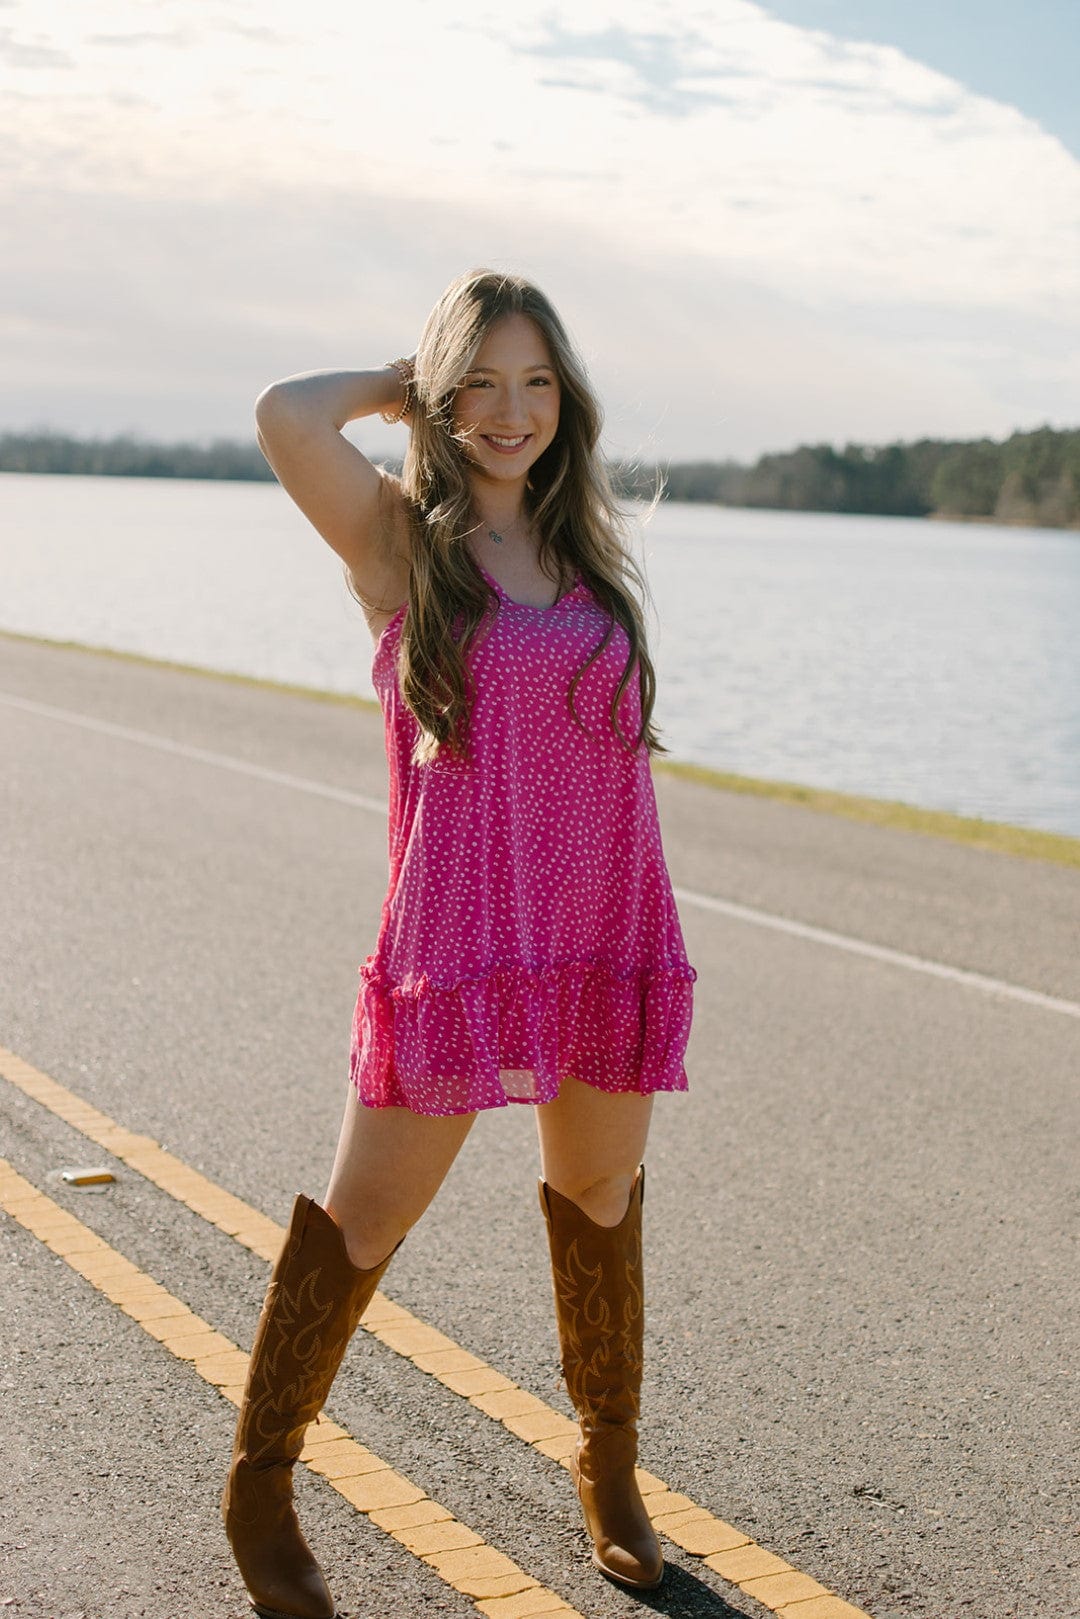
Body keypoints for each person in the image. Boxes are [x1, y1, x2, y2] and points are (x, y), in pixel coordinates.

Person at [222, 268, 697, 1618]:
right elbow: (281, 413)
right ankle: (262, 1482)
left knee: (600, 1201)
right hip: (462, 933)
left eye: (536, 380)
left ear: (568, 399)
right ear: (444, 395)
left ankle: (608, 1466)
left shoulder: (589, 554)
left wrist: (455, 387)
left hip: (602, 924)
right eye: (481, 380)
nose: (511, 409)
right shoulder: (401, 547)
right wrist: (402, 385)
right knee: (363, 1218)